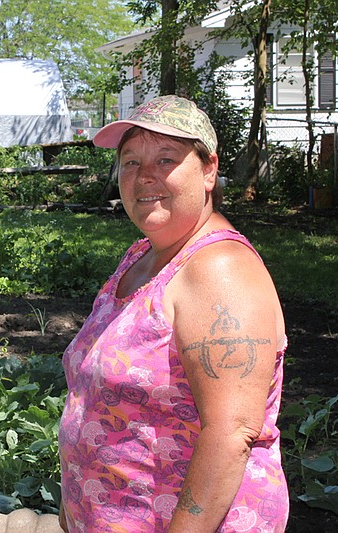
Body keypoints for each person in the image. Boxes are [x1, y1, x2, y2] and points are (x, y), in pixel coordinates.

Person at [58, 95, 289, 532]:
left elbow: (231, 433)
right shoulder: (142, 256)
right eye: (130, 162)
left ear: (208, 170)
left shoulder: (220, 271)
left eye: (166, 159)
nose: (145, 176)